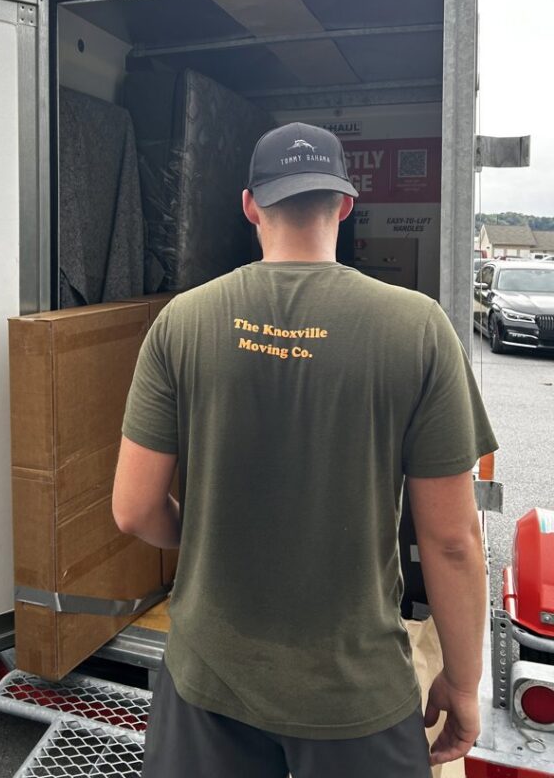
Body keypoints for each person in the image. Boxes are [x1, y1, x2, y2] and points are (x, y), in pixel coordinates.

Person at [113, 121, 497, 778]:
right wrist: (463, 685)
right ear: (345, 205)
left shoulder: (182, 321)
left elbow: (133, 510)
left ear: (250, 205)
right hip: (358, 699)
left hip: (207, 681)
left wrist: (200, 533)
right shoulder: (419, 330)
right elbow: (454, 541)